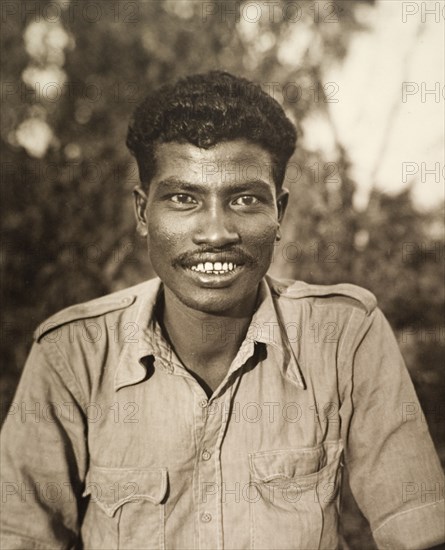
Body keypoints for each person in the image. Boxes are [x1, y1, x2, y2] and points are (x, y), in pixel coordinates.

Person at [1, 71, 444, 550]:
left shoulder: (344, 336)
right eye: (184, 198)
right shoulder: (74, 354)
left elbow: (420, 531)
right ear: (143, 213)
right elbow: (20, 536)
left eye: (245, 199)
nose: (216, 232)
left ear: (280, 213)